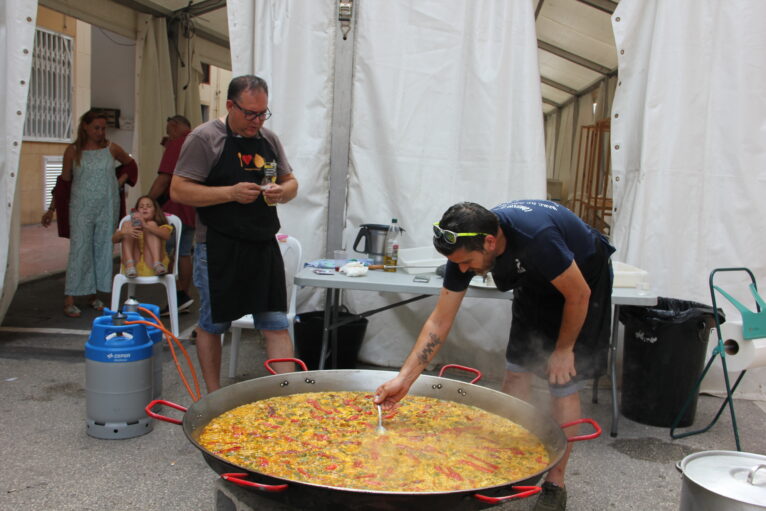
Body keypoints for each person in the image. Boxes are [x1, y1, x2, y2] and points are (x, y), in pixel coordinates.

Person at [374, 200, 615, 511]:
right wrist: (403, 380)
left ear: (490, 242)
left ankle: (555, 483)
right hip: (535, 282)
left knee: (561, 380)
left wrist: (563, 349)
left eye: (467, 263)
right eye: (456, 264)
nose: (462, 270)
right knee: (517, 370)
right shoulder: (463, 245)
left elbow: (578, 294)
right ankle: (509, 463)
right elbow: (439, 320)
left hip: (582, 283)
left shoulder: (538, 237)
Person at [170, 75, 299, 392]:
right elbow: (179, 190)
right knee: (213, 326)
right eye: (250, 113)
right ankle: (213, 398)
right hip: (217, 247)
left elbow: (292, 181)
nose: (257, 121)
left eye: (263, 113)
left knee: (276, 325)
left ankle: (285, 403)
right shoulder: (204, 139)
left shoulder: (268, 139)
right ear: (230, 105)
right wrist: (229, 193)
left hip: (263, 246)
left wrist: (282, 192)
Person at [42, 110, 136, 318]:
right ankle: (70, 297)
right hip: (80, 207)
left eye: (103, 128)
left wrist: (118, 183)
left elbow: (131, 166)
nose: (100, 132)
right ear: (85, 126)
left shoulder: (112, 149)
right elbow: (64, 182)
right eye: (96, 128)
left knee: (102, 248)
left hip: (106, 206)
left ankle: (93, 295)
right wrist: (51, 208)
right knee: (80, 249)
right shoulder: (73, 151)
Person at [147, 115, 196, 314]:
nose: (168, 134)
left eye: (169, 130)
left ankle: (175, 295)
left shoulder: (177, 144)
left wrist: (147, 201)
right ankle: (182, 294)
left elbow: (164, 178)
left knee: (168, 252)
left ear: (175, 126)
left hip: (176, 206)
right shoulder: (198, 141)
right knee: (184, 251)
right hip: (195, 205)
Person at [112, 195, 173, 277]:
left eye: (149, 206)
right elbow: (114, 240)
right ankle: (130, 265)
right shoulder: (129, 225)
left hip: (153, 265)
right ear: (136, 212)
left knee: (151, 224)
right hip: (133, 267)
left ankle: (157, 264)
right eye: (141, 207)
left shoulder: (161, 226)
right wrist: (123, 232)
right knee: (127, 225)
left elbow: (167, 236)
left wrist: (146, 226)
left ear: (155, 211)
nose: (145, 208)